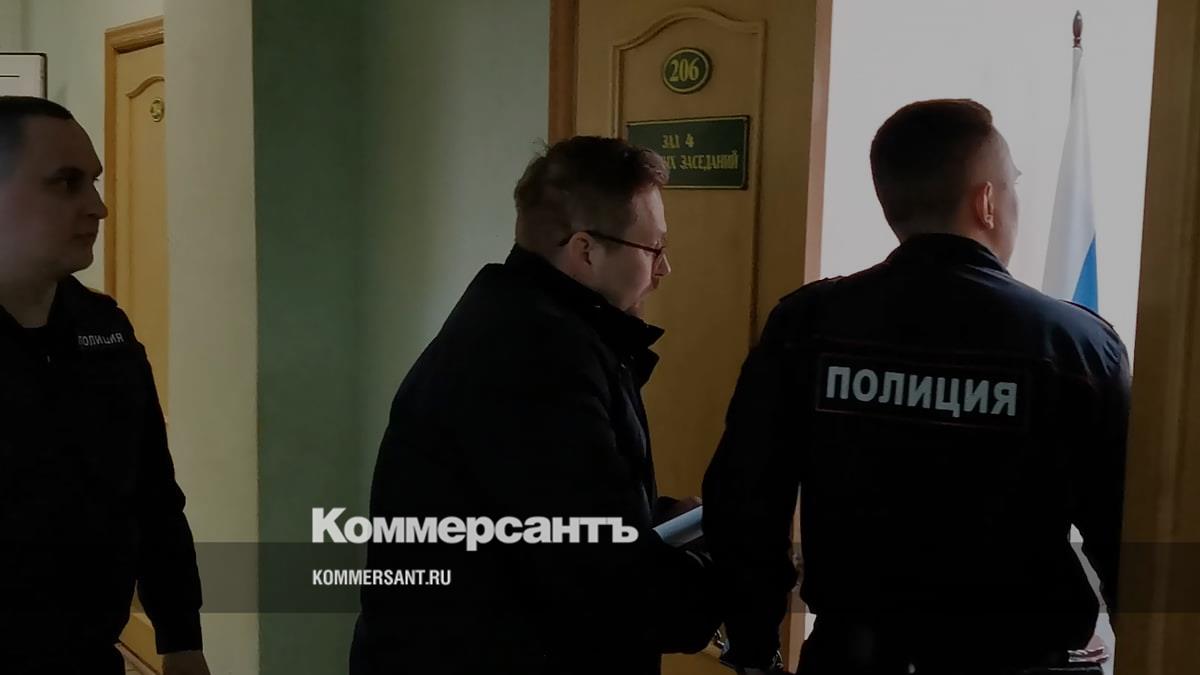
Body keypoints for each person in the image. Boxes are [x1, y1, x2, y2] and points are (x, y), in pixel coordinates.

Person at [703, 99, 1128, 675]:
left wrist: (754, 648)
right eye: (1012, 186)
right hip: (1015, 660)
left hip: (849, 657)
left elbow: (745, 500)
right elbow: (1123, 535)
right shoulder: (1075, 346)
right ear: (986, 201)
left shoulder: (807, 325)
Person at [351, 136, 719, 675]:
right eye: (653, 249)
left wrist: (658, 523)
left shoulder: (525, 322)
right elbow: (603, 581)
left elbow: (545, 510)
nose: (665, 270)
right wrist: (720, 566)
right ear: (585, 250)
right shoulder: (537, 360)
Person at [0, 96, 209, 675]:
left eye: (92, 181)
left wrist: (182, 641)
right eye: (66, 183)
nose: (98, 207)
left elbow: (154, 498)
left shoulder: (104, 330)